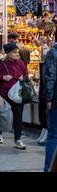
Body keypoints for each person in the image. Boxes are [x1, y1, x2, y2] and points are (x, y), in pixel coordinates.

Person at [0, 43, 28, 150]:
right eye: (15, 52)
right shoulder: (0, 63)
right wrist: (3, 77)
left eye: (17, 52)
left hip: (17, 94)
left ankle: (18, 139)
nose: (17, 54)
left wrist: (23, 78)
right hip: (4, 94)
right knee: (2, 115)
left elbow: (26, 74)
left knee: (18, 117)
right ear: (9, 53)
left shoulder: (20, 63)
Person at [42, 38, 57, 172]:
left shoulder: (53, 53)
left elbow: (49, 78)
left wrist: (48, 99)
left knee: (53, 136)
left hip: (55, 101)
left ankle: (48, 168)